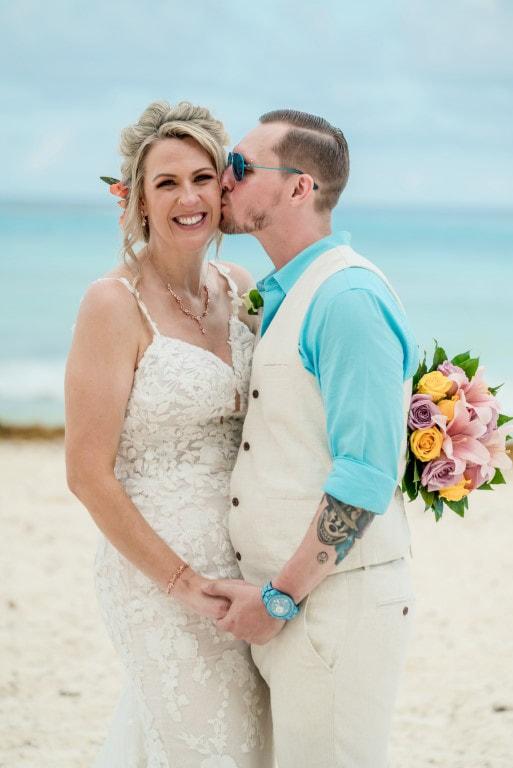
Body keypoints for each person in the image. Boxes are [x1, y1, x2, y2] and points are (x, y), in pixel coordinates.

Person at [202, 110, 419, 768]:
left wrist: (279, 599)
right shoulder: (288, 292)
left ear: (299, 187)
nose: (222, 180)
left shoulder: (346, 298)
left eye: (240, 167)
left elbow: (366, 474)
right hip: (297, 605)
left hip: (330, 607)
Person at [65, 100, 272, 768]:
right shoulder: (111, 304)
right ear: (138, 201)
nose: (189, 198)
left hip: (250, 567)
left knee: (252, 745)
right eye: (167, 182)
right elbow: (86, 474)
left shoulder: (238, 286)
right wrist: (181, 582)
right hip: (160, 579)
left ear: (223, 187)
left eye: (202, 178)